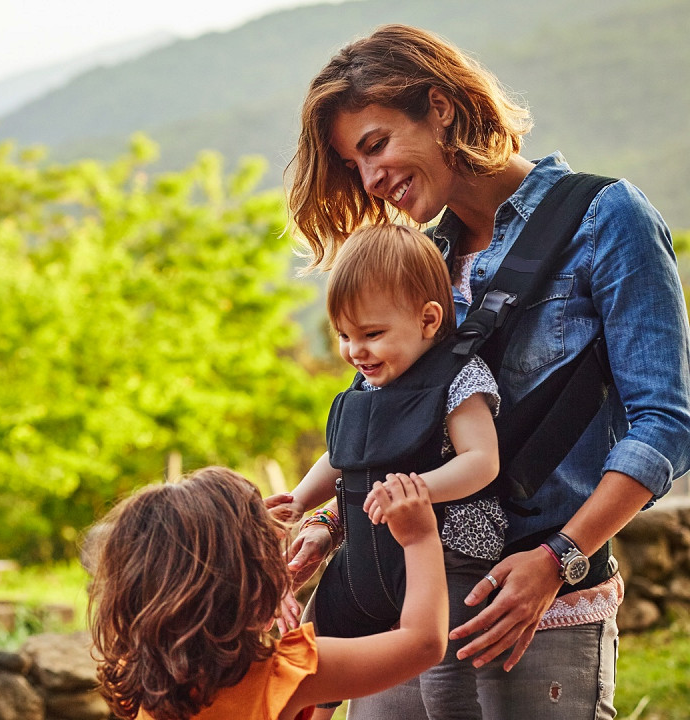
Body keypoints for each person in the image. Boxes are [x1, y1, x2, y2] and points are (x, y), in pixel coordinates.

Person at [284, 23, 690, 719]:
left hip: (534, 612)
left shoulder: (604, 218)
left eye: (376, 145)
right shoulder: (420, 259)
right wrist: (327, 520)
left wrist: (558, 558)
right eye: (354, 165)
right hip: (401, 607)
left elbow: (665, 423)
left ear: (440, 108)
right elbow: (384, 424)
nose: (371, 179)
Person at [271, 223, 501, 719]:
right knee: (306, 658)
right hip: (364, 552)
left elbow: (482, 461)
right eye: (344, 336)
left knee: (444, 677)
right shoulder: (365, 386)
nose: (356, 351)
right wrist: (300, 500)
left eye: (372, 335)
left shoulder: (458, 377)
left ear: (428, 319)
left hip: (446, 552)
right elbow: (340, 455)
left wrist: (418, 491)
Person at [88, 467, 447, 720]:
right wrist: (419, 537)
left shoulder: (137, 677)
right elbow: (424, 643)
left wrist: (241, 535)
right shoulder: (285, 674)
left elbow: (180, 558)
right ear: (250, 584)